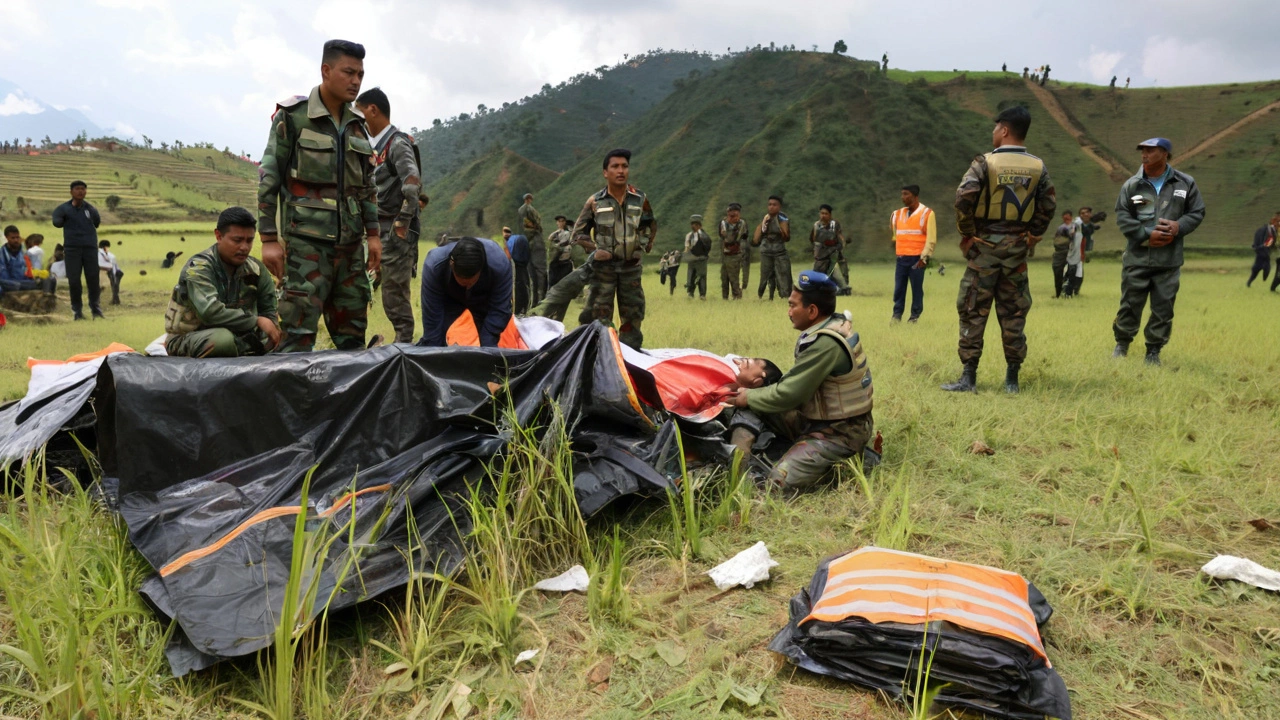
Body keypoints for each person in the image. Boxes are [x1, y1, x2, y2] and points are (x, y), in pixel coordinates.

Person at [257, 39, 381, 353]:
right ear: (326, 70)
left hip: (351, 251)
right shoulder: (294, 117)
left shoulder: (358, 126)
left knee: (352, 340)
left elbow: (367, 187)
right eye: (348, 72)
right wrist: (269, 238)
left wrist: (374, 235)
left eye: (360, 75)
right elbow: (269, 176)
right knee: (297, 337)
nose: (356, 81)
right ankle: (291, 400)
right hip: (306, 248)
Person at [944, 105, 1056, 394]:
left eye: (995, 127)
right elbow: (1048, 205)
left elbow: (963, 198)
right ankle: (1012, 380)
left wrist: (967, 233)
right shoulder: (1038, 167)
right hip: (1017, 250)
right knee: (1014, 312)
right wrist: (1033, 234)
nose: (993, 132)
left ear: (1004, 129)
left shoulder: (984, 162)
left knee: (972, 308)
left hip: (983, 249)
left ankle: (968, 377)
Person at [729, 271, 875, 490]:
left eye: (792, 305)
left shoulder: (826, 344)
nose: (789, 312)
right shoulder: (828, 326)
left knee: (778, 481)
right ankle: (737, 462)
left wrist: (746, 396)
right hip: (818, 418)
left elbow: (789, 394)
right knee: (758, 402)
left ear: (812, 310)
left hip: (841, 432)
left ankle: (846, 466)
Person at [1112, 137, 1205, 365]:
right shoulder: (1132, 185)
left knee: (1163, 307)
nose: (1144, 154)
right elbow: (1123, 216)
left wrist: (1178, 226)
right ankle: (1122, 345)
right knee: (1130, 304)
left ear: (1165, 153)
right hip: (1137, 258)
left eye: (1150, 150)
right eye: (1142, 150)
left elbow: (1197, 212)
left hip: (1168, 260)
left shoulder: (1184, 183)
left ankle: (1153, 351)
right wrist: (1146, 234)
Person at [164, 207, 281, 358]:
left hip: (241, 336)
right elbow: (210, 312)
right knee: (223, 340)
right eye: (237, 240)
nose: (244, 247)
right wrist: (255, 321)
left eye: (249, 240)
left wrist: (272, 332)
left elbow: (269, 310)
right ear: (218, 236)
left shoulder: (256, 269)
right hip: (193, 337)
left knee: (287, 336)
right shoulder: (198, 269)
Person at [571, 148, 656, 350]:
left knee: (633, 316)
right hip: (603, 271)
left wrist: (640, 246)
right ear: (605, 172)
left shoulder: (640, 199)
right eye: (615, 166)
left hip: (631, 269)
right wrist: (595, 249)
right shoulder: (595, 202)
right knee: (598, 316)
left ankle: (630, 359)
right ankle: (599, 357)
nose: (621, 171)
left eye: (624, 166)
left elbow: (649, 226)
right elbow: (577, 234)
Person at [356, 87, 422, 344]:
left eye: (360, 113)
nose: (358, 120)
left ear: (373, 110)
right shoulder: (377, 146)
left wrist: (401, 224)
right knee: (362, 285)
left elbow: (412, 185)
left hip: (394, 232)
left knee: (394, 293)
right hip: (376, 230)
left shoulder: (398, 143)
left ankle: (403, 346)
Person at [420, 237, 513, 347]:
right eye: (462, 280)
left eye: (470, 282)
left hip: (484, 297)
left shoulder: (499, 264)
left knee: (489, 343)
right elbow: (432, 318)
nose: (467, 286)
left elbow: (500, 310)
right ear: (452, 265)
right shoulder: (434, 266)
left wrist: (488, 347)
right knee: (433, 341)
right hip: (449, 296)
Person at [51, 179, 104, 320]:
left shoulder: (90, 209)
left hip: (90, 248)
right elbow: (56, 221)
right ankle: (77, 311)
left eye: (83, 189)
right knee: (74, 281)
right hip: (72, 249)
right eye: (77, 189)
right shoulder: (63, 209)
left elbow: (97, 222)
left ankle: (96, 309)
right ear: (71, 192)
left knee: (93, 279)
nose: (81, 191)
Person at [890, 185, 937, 322]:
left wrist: (925, 257)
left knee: (916, 289)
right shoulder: (896, 214)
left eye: (906, 194)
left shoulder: (927, 213)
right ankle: (896, 315)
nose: (902, 197)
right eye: (902, 194)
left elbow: (931, 238)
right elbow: (895, 235)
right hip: (901, 258)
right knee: (899, 288)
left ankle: (914, 316)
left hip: (917, 259)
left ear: (915, 197)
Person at [1, 225, 57, 296]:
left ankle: (47, 298)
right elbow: (3, 274)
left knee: (51, 280)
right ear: (7, 238)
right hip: (11, 283)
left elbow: (33, 269)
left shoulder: (25, 252)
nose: (16, 240)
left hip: (26, 282)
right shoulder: (2, 254)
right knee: (12, 284)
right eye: (13, 238)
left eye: (17, 237)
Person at [753, 195, 791, 299]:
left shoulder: (783, 217)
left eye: (774, 205)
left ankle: (785, 296)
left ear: (779, 206)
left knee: (783, 274)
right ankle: (762, 296)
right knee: (765, 275)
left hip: (779, 250)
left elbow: (786, 236)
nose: (771, 207)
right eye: (769, 204)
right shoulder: (765, 218)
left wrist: (781, 228)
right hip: (766, 250)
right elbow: (756, 238)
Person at [810, 204, 850, 293]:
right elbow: (814, 240)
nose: (823, 216)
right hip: (822, 253)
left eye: (826, 214)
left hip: (835, 251)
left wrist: (842, 244)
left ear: (830, 215)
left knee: (842, 268)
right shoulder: (816, 225)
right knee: (818, 274)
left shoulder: (835, 224)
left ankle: (844, 288)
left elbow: (840, 236)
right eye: (822, 213)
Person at [518, 193, 547, 305]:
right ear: (528, 199)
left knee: (531, 273)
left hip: (526, 241)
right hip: (534, 240)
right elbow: (530, 223)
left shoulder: (522, 210)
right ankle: (540, 299)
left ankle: (533, 300)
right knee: (539, 271)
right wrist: (536, 227)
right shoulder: (527, 209)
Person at [719, 203, 748, 300]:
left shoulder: (742, 224)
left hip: (736, 254)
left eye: (736, 216)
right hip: (725, 253)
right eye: (731, 216)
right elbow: (723, 236)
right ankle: (725, 297)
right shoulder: (723, 223)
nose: (733, 218)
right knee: (724, 277)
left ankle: (737, 296)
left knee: (734, 277)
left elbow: (743, 237)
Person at [504, 227, 531, 314]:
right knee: (523, 283)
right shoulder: (517, 237)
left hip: (517, 261)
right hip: (523, 262)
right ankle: (524, 307)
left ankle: (517, 309)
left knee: (517, 284)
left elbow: (507, 257)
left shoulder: (508, 242)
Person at [683, 215, 711, 299]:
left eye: (695, 224)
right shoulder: (689, 235)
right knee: (691, 276)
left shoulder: (704, 236)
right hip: (692, 259)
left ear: (699, 225)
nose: (693, 226)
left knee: (701, 276)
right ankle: (690, 293)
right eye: (692, 224)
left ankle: (702, 294)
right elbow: (687, 247)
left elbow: (707, 247)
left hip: (701, 259)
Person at [1247, 212, 1278, 287]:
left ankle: (1253, 280)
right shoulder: (1267, 230)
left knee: (1265, 268)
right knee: (1257, 269)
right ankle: (1249, 282)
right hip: (1262, 252)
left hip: (1264, 252)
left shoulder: (1273, 231)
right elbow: (1266, 242)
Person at [547, 214, 576, 287]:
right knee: (553, 281)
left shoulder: (568, 232)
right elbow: (549, 239)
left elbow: (567, 241)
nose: (560, 223)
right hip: (557, 259)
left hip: (565, 260)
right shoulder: (557, 233)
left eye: (562, 221)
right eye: (559, 221)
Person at [1050, 211, 1073, 298]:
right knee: (1057, 272)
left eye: (1067, 217)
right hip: (1060, 252)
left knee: (1070, 273)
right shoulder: (1061, 228)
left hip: (1070, 252)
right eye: (1065, 218)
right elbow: (1057, 240)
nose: (1066, 219)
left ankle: (1068, 293)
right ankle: (1058, 293)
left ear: (1071, 217)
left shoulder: (1074, 226)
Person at [98, 239, 123, 305]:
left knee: (102, 286)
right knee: (114, 286)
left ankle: (114, 299)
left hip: (107, 272)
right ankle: (115, 299)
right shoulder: (111, 255)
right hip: (112, 272)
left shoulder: (99, 254)